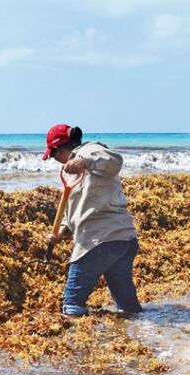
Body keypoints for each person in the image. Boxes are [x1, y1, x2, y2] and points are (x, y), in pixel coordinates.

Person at [43, 124, 142, 317]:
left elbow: (114, 160)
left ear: (60, 149)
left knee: (72, 303)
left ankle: (76, 344)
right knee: (127, 304)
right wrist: (62, 231)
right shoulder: (73, 170)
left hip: (98, 242)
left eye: (54, 155)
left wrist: (84, 161)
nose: (55, 160)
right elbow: (80, 210)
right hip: (123, 240)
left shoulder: (89, 151)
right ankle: (138, 333)